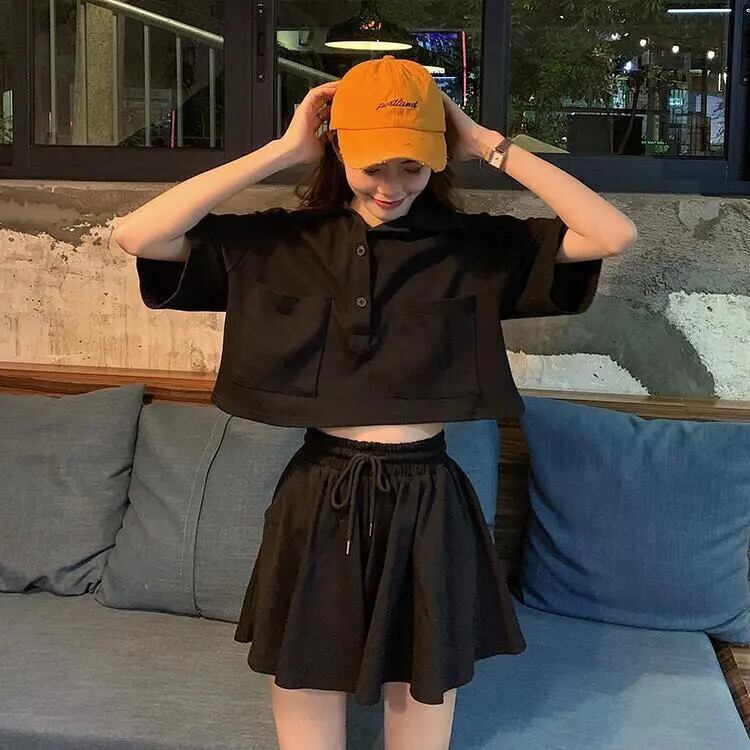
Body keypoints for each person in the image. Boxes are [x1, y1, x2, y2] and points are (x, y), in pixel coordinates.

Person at [114, 55, 637, 750]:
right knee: (306, 677)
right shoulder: (283, 241)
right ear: (338, 150)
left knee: (421, 681)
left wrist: (487, 143)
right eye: (373, 167)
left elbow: (611, 234)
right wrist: (282, 151)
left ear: (436, 160)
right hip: (319, 489)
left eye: (412, 167)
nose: (392, 187)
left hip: (430, 493)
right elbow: (139, 236)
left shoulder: (474, 247)